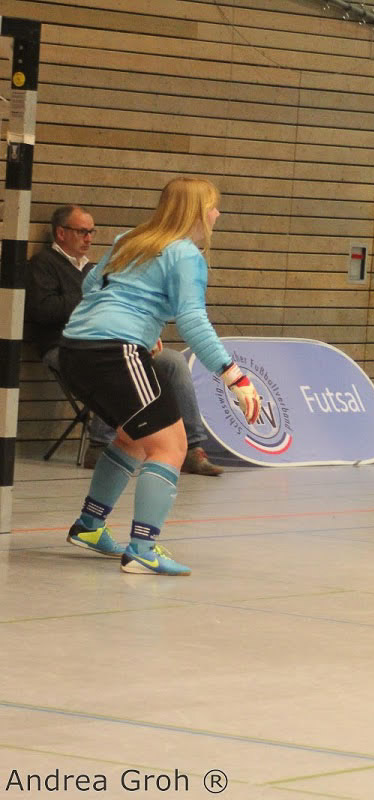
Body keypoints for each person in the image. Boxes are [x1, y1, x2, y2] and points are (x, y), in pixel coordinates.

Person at [56, 177, 263, 576]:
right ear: (197, 212)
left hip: (74, 350)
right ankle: (142, 549)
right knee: (171, 446)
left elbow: (90, 285)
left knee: (133, 438)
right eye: (213, 206)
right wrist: (235, 376)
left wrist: (140, 327)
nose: (217, 214)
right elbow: (192, 320)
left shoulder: (130, 239)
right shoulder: (185, 254)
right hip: (114, 352)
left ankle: (90, 526)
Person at [25, 204, 223, 475]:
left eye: (92, 232)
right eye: (82, 232)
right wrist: (100, 301)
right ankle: (100, 443)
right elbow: (42, 309)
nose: (89, 238)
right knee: (113, 368)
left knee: (174, 362)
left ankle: (192, 446)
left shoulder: (92, 268)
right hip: (63, 345)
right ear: (61, 233)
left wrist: (134, 324)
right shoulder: (43, 264)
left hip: (118, 342)